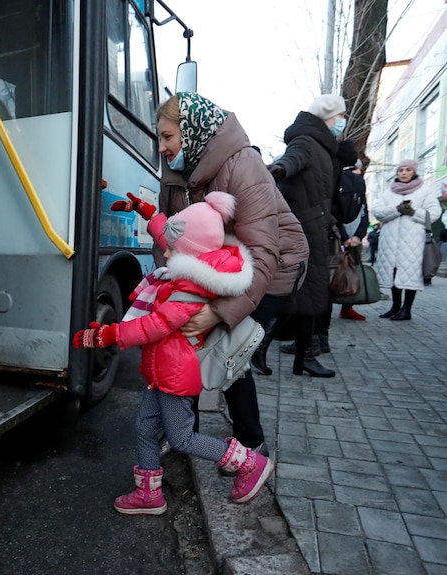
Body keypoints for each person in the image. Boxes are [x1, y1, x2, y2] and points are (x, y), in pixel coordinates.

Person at [120, 92, 308, 466]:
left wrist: (221, 312)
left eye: (168, 137)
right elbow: (169, 235)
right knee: (183, 343)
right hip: (216, 265)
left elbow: (263, 251)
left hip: (271, 265)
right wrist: (169, 287)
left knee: (227, 350)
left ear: (191, 132)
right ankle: (180, 431)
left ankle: (251, 444)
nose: (161, 147)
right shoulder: (175, 173)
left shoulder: (243, 166)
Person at [73, 192, 276, 514]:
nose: (164, 253)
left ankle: (249, 463)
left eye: (171, 249)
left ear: (191, 255)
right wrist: (146, 211)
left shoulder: (188, 290)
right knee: (143, 426)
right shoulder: (190, 266)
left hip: (175, 374)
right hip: (161, 371)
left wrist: (105, 335)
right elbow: (167, 232)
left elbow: (155, 326)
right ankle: (148, 493)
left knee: (181, 438)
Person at [265, 94, 345, 378]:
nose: (342, 123)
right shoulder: (307, 141)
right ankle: (302, 356)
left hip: (315, 228)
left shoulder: (322, 146)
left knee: (302, 295)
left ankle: (285, 353)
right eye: (339, 117)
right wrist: (277, 169)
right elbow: (291, 160)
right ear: (328, 117)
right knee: (301, 293)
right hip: (303, 231)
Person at [370, 159, 442, 320]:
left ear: (414, 172)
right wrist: (397, 209)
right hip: (390, 242)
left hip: (413, 241)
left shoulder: (425, 190)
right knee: (394, 273)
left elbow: (435, 213)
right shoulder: (390, 191)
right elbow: (377, 211)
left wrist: (413, 212)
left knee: (410, 274)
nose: (403, 173)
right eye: (400, 170)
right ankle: (395, 307)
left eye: (407, 170)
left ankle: (406, 309)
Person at [334, 143, 370, 321]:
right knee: (335, 271)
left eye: (359, 170)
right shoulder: (339, 186)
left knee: (352, 271)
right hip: (339, 239)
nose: (358, 173)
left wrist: (358, 236)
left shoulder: (360, 190)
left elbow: (365, 215)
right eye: (354, 169)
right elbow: (336, 215)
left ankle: (348, 306)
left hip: (355, 240)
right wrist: (345, 237)